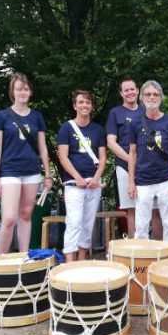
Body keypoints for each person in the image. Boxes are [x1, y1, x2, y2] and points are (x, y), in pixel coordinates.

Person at [0, 73, 54, 254]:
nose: (23, 92)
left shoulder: (37, 116)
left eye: (26, 89)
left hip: (32, 172)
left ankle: (23, 257)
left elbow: (43, 148)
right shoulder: (1, 116)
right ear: (13, 91)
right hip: (9, 171)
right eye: (19, 89)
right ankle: (2, 259)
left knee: (26, 215)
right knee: (9, 218)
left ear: (30, 92)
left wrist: (48, 174)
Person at [128, 80, 168, 254]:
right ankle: (141, 262)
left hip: (166, 179)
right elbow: (133, 153)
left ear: (161, 97)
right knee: (141, 225)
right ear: (142, 97)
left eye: (156, 94)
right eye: (148, 94)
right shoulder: (135, 123)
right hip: (143, 180)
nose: (152, 97)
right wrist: (131, 182)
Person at [57, 90, 107, 261]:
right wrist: (77, 177)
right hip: (73, 183)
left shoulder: (98, 130)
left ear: (91, 106)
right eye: (81, 102)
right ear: (75, 106)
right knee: (74, 222)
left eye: (87, 102)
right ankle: (69, 261)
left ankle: (82, 258)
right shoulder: (66, 128)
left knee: (88, 223)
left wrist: (96, 178)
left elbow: (103, 158)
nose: (84, 105)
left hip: (93, 182)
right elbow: (63, 156)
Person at [106, 79, 144, 237]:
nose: (130, 93)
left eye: (132, 89)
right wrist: (130, 159)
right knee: (131, 209)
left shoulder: (145, 111)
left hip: (145, 167)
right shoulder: (116, 113)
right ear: (121, 93)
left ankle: (149, 246)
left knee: (148, 207)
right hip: (123, 166)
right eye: (126, 90)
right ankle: (134, 247)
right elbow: (110, 142)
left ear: (137, 90)